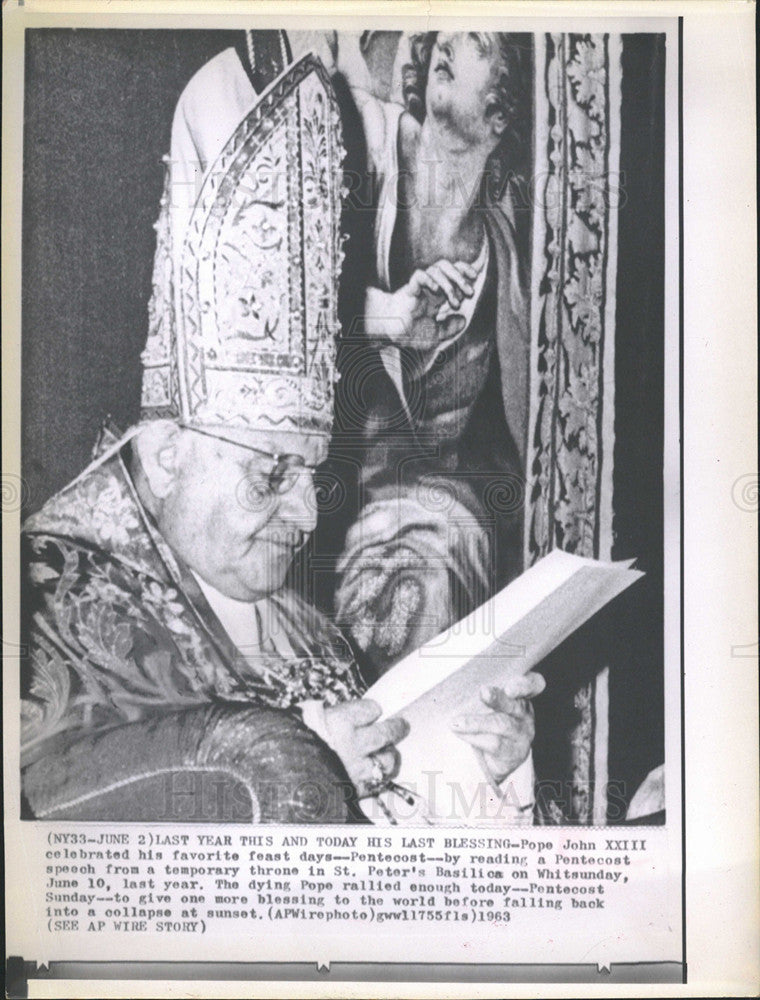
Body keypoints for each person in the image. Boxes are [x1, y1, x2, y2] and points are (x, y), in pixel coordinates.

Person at [20, 31, 543, 826]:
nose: (306, 514)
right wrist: (297, 755)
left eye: (312, 472)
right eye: (271, 473)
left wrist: (492, 775)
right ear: (165, 455)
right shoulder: (43, 608)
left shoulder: (317, 642)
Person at [322, 32, 533, 677]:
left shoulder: (504, 257)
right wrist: (388, 318)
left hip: (439, 495)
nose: (447, 42)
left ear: (500, 113)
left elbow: (520, 425)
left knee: (432, 571)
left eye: (477, 43)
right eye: (448, 33)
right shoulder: (373, 144)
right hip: (342, 471)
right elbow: (291, 294)